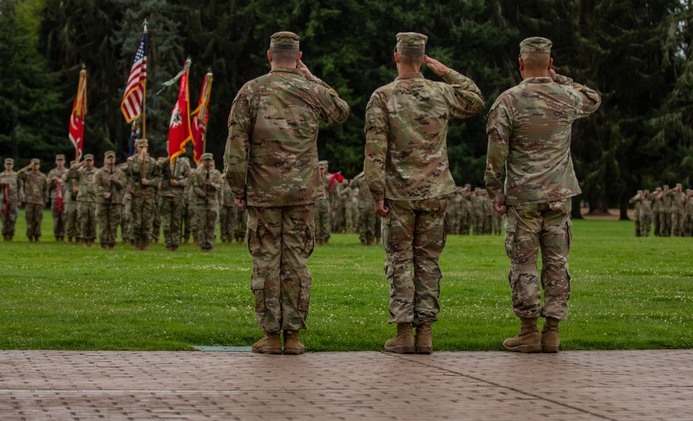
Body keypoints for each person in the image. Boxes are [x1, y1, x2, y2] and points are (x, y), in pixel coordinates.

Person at [225, 31, 349, 355]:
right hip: (301, 192)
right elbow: (340, 110)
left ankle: (269, 335)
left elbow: (236, 145)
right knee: (295, 261)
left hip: (263, 192)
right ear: (298, 56)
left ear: (269, 56)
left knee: (266, 261)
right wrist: (311, 77)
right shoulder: (310, 90)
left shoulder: (251, 91)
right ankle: (292, 336)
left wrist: (238, 188)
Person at [364, 31, 484, 354]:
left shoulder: (382, 97)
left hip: (399, 193)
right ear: (424, 59)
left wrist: (377, 192)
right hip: (435, 191)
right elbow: (475, 99)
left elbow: (375, 152)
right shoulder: (442, 92)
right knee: (428, 261)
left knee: (400, 260)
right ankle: (426, 333)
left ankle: (404, 332)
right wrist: (445, 71)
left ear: (396, 56)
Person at [485, 37, 601, 353]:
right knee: (557, 261)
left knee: (523, 263)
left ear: (520, 64)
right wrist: (559, 79)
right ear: (550, 65)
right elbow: (593, 97)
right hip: (559, 193)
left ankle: (528, 331)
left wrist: (495, 191)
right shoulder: (567, 97)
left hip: (523, 196)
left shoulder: (508, 101)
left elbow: (496, 153)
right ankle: (552, 331)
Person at [126, 139, 159, 250]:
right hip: (136, 194)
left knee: (147, 220)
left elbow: (157, 179)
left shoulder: (153, 162)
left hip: (148, 195)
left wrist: (148, 182)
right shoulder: (131, 160)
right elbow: (135, 170)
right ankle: (136, 241)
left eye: (145, 147)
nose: (143, 149)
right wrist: (141, 157)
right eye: (141, 147)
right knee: (137, 221)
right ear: (137, 148)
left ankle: (145, 243)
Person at [158, 155, 191, 251]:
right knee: (166, 223)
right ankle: (168, 243)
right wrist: (169, 158)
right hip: (165, 196)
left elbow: (189, 179)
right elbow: (158, 168)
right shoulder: (163, 162)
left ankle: (175, 243)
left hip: (178, 196)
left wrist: (179, 183)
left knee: (176, 222)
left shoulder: (184, 163)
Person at [188, 153, 220, 252]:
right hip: (201, 202)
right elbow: (195, 186)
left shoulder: (216, 173)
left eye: (209, 160)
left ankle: (210, 245)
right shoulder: (196, 173)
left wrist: (212, 184)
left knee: (211, 225)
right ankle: (202, 245)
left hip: (212, 202)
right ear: (202, 161)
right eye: (205, 160)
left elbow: (219, 186)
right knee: (201, 224)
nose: (207, 162)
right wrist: (203, 194)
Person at [65, 154, 99, 246]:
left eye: (90, 160)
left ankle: (91, 240)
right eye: (87, 161)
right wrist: (77, 166)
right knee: (83, 220)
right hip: (82, 200)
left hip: (93, 200)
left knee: (93, 221)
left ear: (93, 161)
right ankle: (83, 239)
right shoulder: (80, 172)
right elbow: (68, 176)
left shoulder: (97, 172)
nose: (88, 162)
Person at [94, 151, 124, 249]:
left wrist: (115, 181)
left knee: (113, 224)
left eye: (112, 158)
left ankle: (111, 243)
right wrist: (103, 193)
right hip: (103, 202)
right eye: (108, 158)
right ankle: (103, 243)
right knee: (103, 224)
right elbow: (95, 185)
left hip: (115, 201)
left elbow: (123, 185)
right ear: (104, 159)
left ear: (114, 159)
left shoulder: (119, 172)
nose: (110, 160)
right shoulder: (99, 172)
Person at [18, 159, 48, 242]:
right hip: (29, 201)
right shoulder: (27, 175)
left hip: (39, 201)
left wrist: (45, 201)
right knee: (29, 220)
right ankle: (30, 236)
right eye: (34, 164)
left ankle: (37, 236)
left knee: (38, 220)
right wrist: (27, 167)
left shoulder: (42, 176)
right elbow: (18, 175)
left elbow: (45, 189)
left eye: (37, 164)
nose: (35, 166)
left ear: (39, 165)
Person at [0, 158, 23, 241]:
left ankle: (11, 234)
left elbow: (20, 187)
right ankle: (4, 234)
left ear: (12, 165)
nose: (8, 166)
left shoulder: (16, 176)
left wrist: (20, 199)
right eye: (7, 164)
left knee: (12, 218)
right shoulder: (0, 176)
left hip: (13, 199)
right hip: (3, 200)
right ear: (4, 165)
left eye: (10, 164)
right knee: (3, 217)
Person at [47, 154, 69, 242]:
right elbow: (47, 187)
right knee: (56, 217)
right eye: (58, 160)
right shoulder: (52, 172)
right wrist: (52, 181)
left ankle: (63, 234)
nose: (60, 162)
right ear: (56, 161)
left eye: (61, 160)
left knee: (64, 217)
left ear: (64, 161)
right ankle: (56, 235)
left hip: (65, 197)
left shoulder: (67, 172)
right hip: (55, 197)